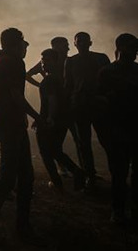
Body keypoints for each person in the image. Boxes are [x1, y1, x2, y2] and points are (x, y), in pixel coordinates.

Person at [0, 28, 43, 244]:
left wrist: (2, 108)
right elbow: (16, 95)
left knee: (22, 176)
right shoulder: (14, 63)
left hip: (7, 124)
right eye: (23, 44)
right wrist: (36, 116)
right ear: (16, 44)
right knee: (10, 178)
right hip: (12, 126)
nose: (26, 48)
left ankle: (19, 225)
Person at [98, 33, 138, 226]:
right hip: (118, 129)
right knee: (119, 175)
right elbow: (100, 103)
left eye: (135, 47)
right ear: (120, 48)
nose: (135, 51)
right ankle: (118, 211)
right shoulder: (107, 72)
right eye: (131, 47)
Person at [64, 31, 111, 190]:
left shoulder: (99, 58)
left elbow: (110, 80)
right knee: (85, 143)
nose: (82, 44)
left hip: (96, 105)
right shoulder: (72, 61)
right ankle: (90, 175)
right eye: (80, 42)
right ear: (75, 44)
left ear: (90, 43)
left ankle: (103, 173)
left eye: (85, 41)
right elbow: (68, 86)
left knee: (105, 140)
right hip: (81, 107)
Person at [35, 49, 85, 191]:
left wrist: (49, 117)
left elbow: (52, 100)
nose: (44, 63)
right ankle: (76, 171)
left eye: (47, 60)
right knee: (55, 151)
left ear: (55, 61)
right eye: (43, 60)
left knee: (46, 152)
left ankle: (57, 182)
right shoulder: (59, 78)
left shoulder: (49, 80)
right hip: (60, 120)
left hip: (51, 120)